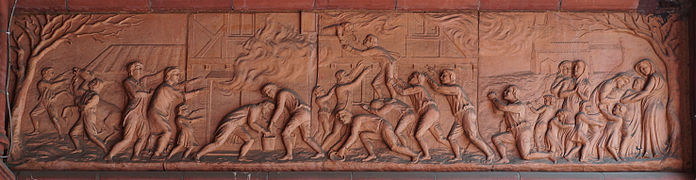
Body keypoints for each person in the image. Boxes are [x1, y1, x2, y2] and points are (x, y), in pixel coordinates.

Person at [425, 69, 495, 162]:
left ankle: (490, 154)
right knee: (451, 138)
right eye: (441, 76)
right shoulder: (449, 88)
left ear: (451, 77)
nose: (441, 78)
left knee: (472, 136)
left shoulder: (455, 88)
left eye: (444, 76)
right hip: (459, 116)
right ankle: (458, 156)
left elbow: (437, 88)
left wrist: (427, 78)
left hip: (466, 113)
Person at [105, 62, 163, 160]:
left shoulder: (140, 83)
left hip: (141, 114)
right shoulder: (128, 82)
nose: (140, 71)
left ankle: (135, 155)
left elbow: (150, 81)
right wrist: (148, 94)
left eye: (141, 69)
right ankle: (110, 155)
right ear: (131, 71)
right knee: (127, 139)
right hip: (132, 113)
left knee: (144, 136)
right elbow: (135, 95)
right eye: (138, 69)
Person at [488, 85, 555, 164]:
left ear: (514, 94)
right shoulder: (510, 106)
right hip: (513, 132)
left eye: (508, 91)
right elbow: (497, 111)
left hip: (522, 132)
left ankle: (548, 155)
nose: (505, 92)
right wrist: (493, 101)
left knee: (526, 156)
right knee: (496, 138)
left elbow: (503, 108)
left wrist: (494, 98)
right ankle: (504, 158)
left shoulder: (519, 106)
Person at [391, 72, 450, 161]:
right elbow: (405, 86)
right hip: (432, 112)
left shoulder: (418, 88)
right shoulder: (415, 88)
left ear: (418, 80)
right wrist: (397, 79)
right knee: (440, 138)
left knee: (418, 135)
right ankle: (458, 150)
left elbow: (403, 92)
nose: (410, 77)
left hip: (429, 112)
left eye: (413, 76)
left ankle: (427, 155)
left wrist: (393, 83)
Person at [148, 67, 204, 158]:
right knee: (167, 131)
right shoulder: (166, 87)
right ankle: (156, 154)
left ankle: (155, 151)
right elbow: (184, 96)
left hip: (161, 113)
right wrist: (199, 91)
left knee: (162, 133)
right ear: (169, 75)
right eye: (176, 75)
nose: (179, 77)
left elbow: (181, 85)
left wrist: (194, 81)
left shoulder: (169, 86)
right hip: (156, 112)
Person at [195, 100, 275, 161]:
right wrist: (263, 130)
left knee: (250, 140)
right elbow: (251, 123)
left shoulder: (257, 111)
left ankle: (241, 157)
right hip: (230, 123)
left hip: (236, 125)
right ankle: (197, 155)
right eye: (268, 109)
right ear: (265, 105)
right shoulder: (254, 108)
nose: (268, 111)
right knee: (218, 143)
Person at [621, 59, 670, 158]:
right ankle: (652, 151)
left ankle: (652, 151)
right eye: (641, 69)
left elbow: (645, 92)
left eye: (645, 67)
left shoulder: (654, 77)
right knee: (650, 127)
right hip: (654, 105)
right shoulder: (655, 77)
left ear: (651, 66)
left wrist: (628, 100)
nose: (643, 70)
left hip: (653, 106)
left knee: (651, 127)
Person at [263, 83, 325, 160]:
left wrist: (271, 122)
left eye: (268, 92)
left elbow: (280, 109)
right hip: (307, 113)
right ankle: (320, 152)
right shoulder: (287, 92)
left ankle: (289, 155)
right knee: (306, 137)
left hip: (300, 113)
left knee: (285, 133)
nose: (268, 95)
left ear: (273, 88)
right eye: (266, 94)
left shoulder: (281, 93)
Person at [332, 112, 420, 163]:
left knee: (393, 147)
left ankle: (414, 155)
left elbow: (353, 136)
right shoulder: (353, 124)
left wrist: (343, 148)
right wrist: (340, 149)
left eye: (343, 116)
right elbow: (349, 137)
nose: (342, 120)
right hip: (378, 132)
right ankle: (372, 155)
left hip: (383, 127)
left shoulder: (356, 119)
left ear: (349, 114)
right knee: (363, 135)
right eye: (340, 119)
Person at [322, 63, 371, 152]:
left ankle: (339, 149)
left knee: (345, 132)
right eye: (345, 75)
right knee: (335, 133)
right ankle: (321, 149)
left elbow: (351, 77)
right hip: (341, 112)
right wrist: (364, 72)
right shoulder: (340, 88)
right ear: (340, 78)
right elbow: (355, 83)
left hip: (346, 111)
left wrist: (358, 68)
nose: (347, 75)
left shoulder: (344, 84)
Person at [69, 79, 108, 153]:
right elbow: (78, 94)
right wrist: (75, 83)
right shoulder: (87, 93)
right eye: (91, 81)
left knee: (92, 136)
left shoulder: (95, 96)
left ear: (97, 85)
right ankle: (78, 148)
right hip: (82, 115)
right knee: (73, 133)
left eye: (93, 82)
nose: (90, 82)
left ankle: (105, 150)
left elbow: (85, 107)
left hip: (89, 116)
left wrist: (79, 104)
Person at [29, 67, 71, 136]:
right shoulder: (41, 83)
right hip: (43, 103)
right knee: (33, 114)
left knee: (54, 119)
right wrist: (64, 81)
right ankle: (36, 130)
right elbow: (52, 86)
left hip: (50, 103)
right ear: (45, 73)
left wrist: (68, 72)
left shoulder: (49, 81)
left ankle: (60, 134)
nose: (53, 74)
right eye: (51, 72)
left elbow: (58, 78)